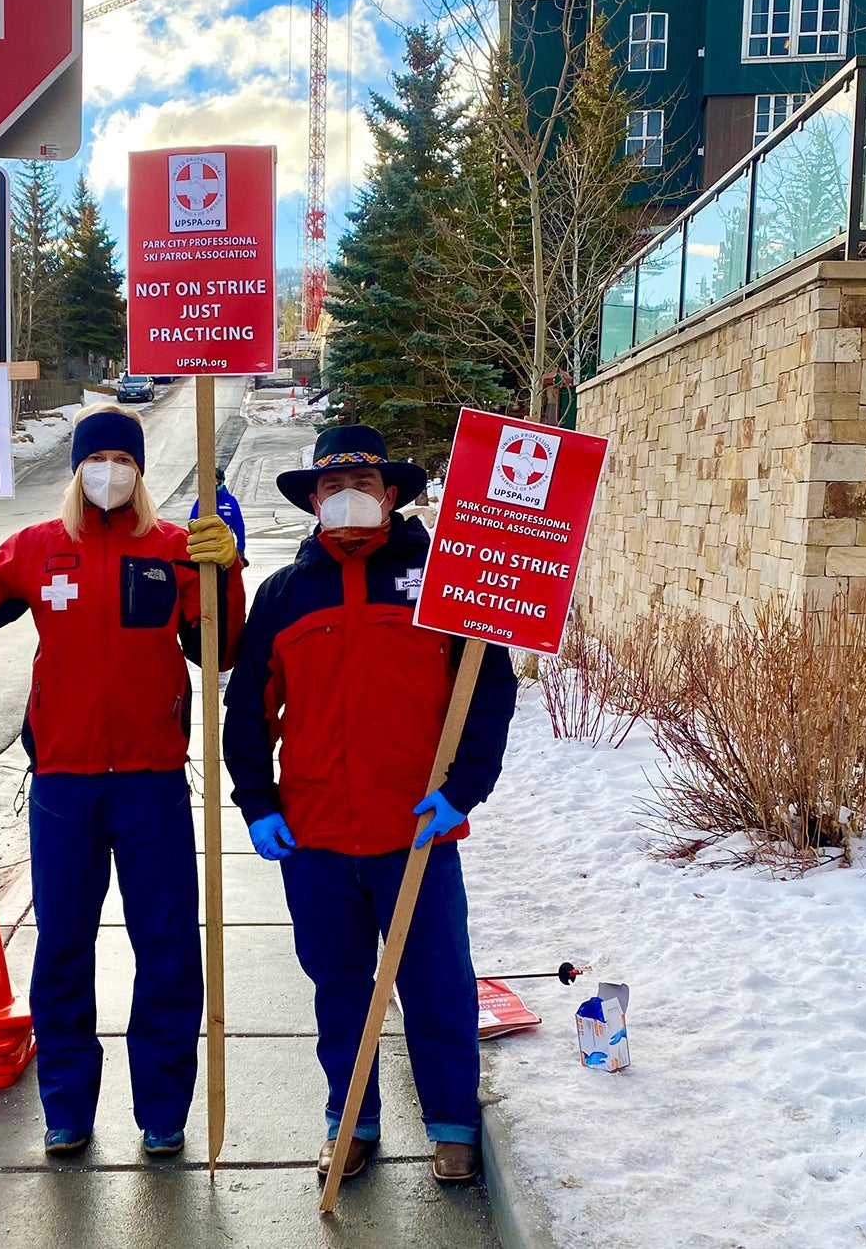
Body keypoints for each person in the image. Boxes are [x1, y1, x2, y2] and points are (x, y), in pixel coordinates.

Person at [0, 404, 245, 1159]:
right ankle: (67, 1106)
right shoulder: (39, 548)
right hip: (65, 787)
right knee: (63, 948)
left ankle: (163, 1110)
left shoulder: (173, 548)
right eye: (96, 461)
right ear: (77, 470)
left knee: (167, 948)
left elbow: (221, 649)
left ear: (140, 473)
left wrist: (226, 572)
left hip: (153, 784)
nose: (109, 474)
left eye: (123, 462)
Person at [222, 424, 518, 1186]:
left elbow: (487, 688)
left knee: (436, 984)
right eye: (330, 487)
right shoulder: (286, 594)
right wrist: (256, 801)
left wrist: (464, 789)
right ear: (314, 499)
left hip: (415, 830)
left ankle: (452, 1124)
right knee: (340, 989)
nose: (346, 497)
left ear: (391, 495)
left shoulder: (442, 577)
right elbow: (248, 711)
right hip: (315, 836)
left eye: (363, 484)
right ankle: (349, 1122)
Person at [189, 467, 246, 558]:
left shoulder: (230, 501)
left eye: (216, 480)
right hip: (205, 547)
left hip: (225, 548)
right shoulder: (201, 501)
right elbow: (192, 524)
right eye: (211, 481)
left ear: (221, 481)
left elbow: (239, 526)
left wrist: (240, 548)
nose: (214, 483)